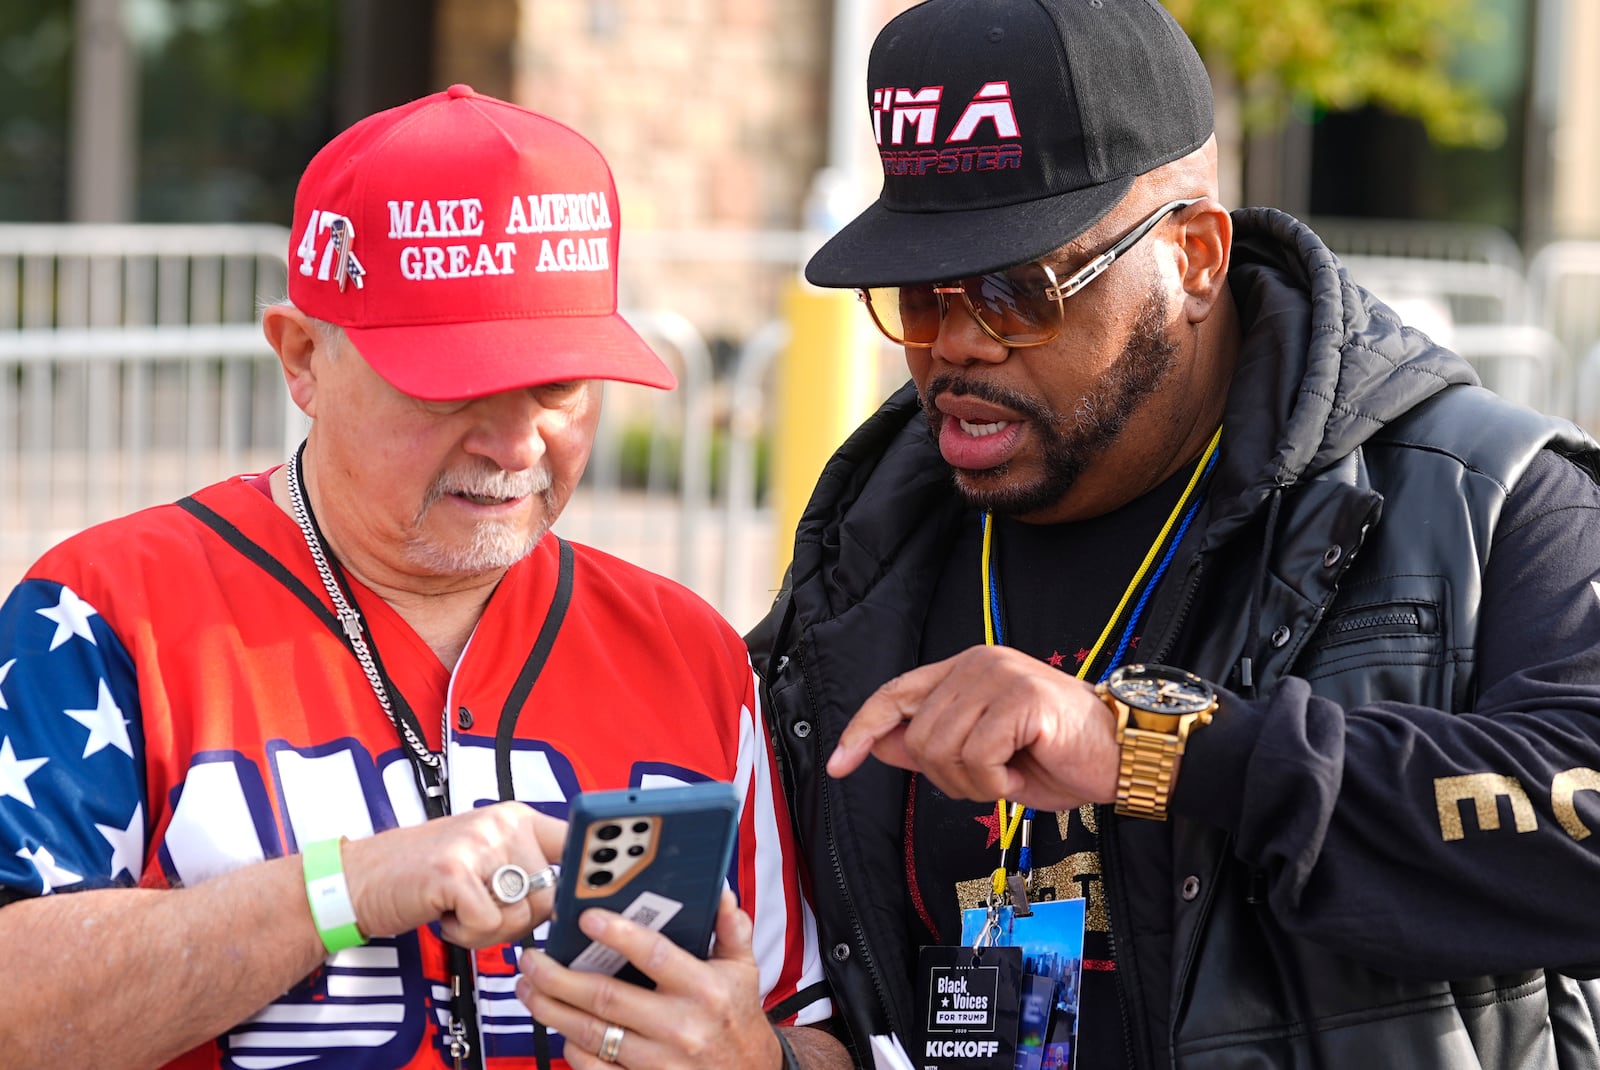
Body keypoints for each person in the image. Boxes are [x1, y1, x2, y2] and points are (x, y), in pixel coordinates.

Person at [747, 2, 1600, 1068]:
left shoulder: (1479, 500)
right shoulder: (867, 552)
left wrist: (1159, 748)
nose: (956, 344)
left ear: (1193, 257)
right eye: (920, 296)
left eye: (1017, 291)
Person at [0, 85, 848, 1070]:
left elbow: (818, 1026)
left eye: (560, 383)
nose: (516, 440)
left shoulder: (686, 644)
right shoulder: (106, 607)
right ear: (304, 356)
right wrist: (345, 887)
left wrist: (757, 1058)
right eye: (452, 386)